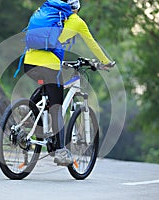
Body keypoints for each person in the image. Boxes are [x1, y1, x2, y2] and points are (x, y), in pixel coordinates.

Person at [23, 0, 114, 165]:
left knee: (47, 87)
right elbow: (92, 44)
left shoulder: (49, 14)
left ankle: (29, 111)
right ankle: (60, 151)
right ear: (77, 8)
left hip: (28, 62)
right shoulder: (77, 21)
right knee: (57, 105)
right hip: (48, 64)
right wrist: (105, 62)